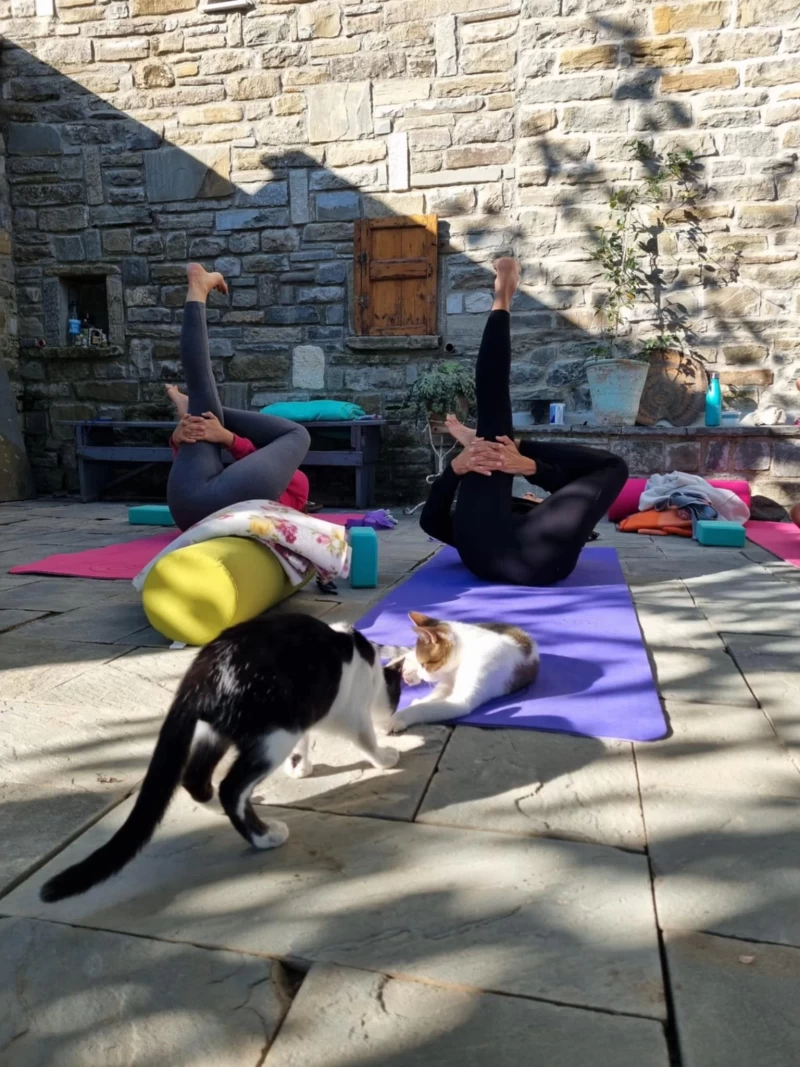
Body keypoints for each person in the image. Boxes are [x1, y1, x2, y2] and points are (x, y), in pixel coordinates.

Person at [420, 258, 628, 586]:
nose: (532, 497)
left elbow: (431, 523)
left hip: (492, 554)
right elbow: (590, 476)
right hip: (528, 560)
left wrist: (456, 470)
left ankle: (502, 297)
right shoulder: (560, 518)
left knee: (492, 442)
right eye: (534, 497)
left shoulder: (532, 515)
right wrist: (528, 464)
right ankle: (502, 297)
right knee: (497, 442)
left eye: (532, 498)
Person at [166, 264, 312, 531]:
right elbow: (195, 459)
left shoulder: (297, 492)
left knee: (298, 435)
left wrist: (228, 439)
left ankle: (199, 405)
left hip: (207, 507)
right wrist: (183, 440)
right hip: (183, 510)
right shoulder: (278, 488)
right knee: (201, 416)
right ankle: (196, 406)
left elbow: (266, 473)